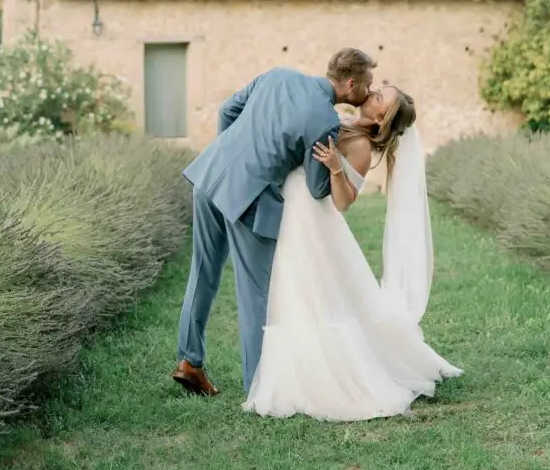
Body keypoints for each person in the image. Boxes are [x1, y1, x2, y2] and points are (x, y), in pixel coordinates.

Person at [243, 85, 462, 421]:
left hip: (313, 220)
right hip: (296, 207)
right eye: (377, 90)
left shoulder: (360, 145)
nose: (372, 92)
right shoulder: (340, 118)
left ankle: (319, 379)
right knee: (293, 292)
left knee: (307, 294)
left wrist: (334, 167)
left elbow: (343, 201)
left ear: (379, 119)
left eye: (378, 98)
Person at [172, 49, 376, 397]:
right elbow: (315, 189)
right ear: (351, 84)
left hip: (211, 174)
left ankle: (190, 363)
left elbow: (227, 111)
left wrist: (235, 151)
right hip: (250, 195)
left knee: (203, 271)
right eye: (368, 85)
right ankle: (259, 387)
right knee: (255, 294)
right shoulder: (324, 119)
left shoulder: (277, 73)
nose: (369, 92)